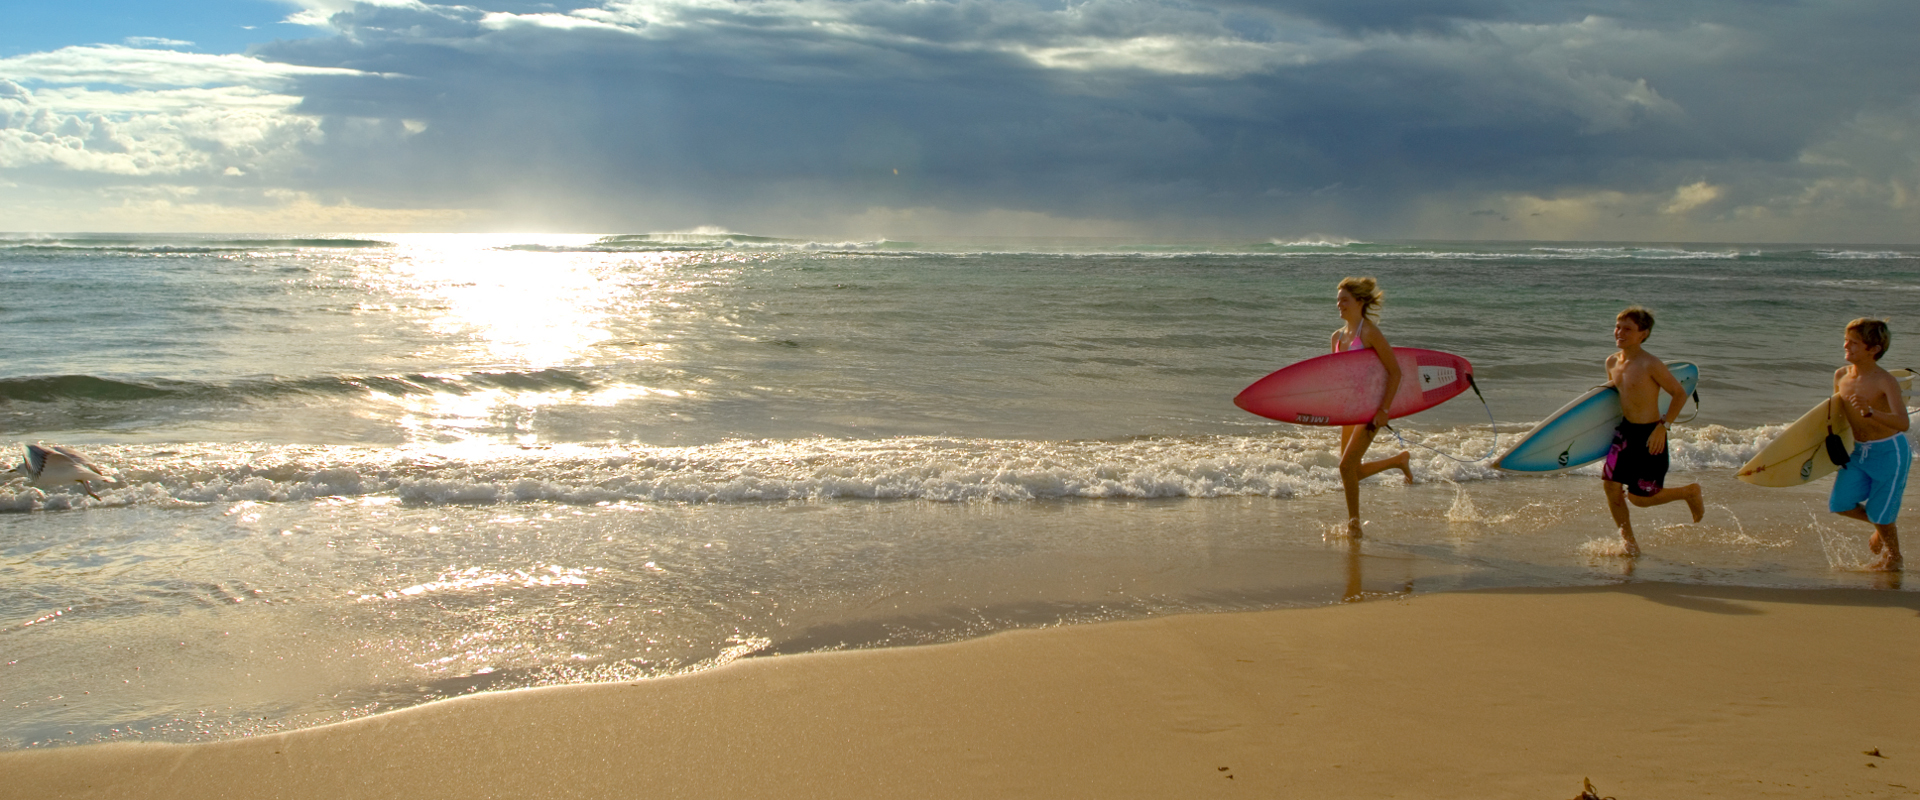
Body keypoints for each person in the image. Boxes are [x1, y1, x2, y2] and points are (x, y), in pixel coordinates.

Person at [1601, 307, 1705, 556]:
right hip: (1624, 433)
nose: (1620, 332)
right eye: (1618, 327)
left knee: (1640, 498)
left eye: (1628, 329)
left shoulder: (1650, 364)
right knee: (1611, 487)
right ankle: (1629, 543)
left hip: (1650, 435)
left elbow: (1679, 394)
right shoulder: (1612, 362)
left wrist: (1663, 427)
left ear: (1643, 334)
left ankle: (1689, 492)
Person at [1331, 276, 1412, 537]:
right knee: (1351, 469)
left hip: (1370, 409)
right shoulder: (1336, 337)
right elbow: (1334, 378)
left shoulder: (1369, 332)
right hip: (1348, 410)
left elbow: (1395, 372)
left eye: (1344, 300)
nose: (1338, 304)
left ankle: (1354, 526)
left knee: (1345, 468)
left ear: (1360, 302)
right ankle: (1398, 461)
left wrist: (1384, 410)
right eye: (1338, 300)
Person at [1830, 318, 1909, 571]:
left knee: (1881, 512)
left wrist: (1872, 413)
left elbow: (1902, 422)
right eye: (1846, 340)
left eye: (1854, 343)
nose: (1846, 346)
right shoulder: (1840, 376)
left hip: (1889, 453)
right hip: (1857, 452)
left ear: (1873, 349)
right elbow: (1837, 418)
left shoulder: (1885, 381)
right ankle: (1880, 525)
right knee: (1840, 504)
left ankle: (1894, 558)